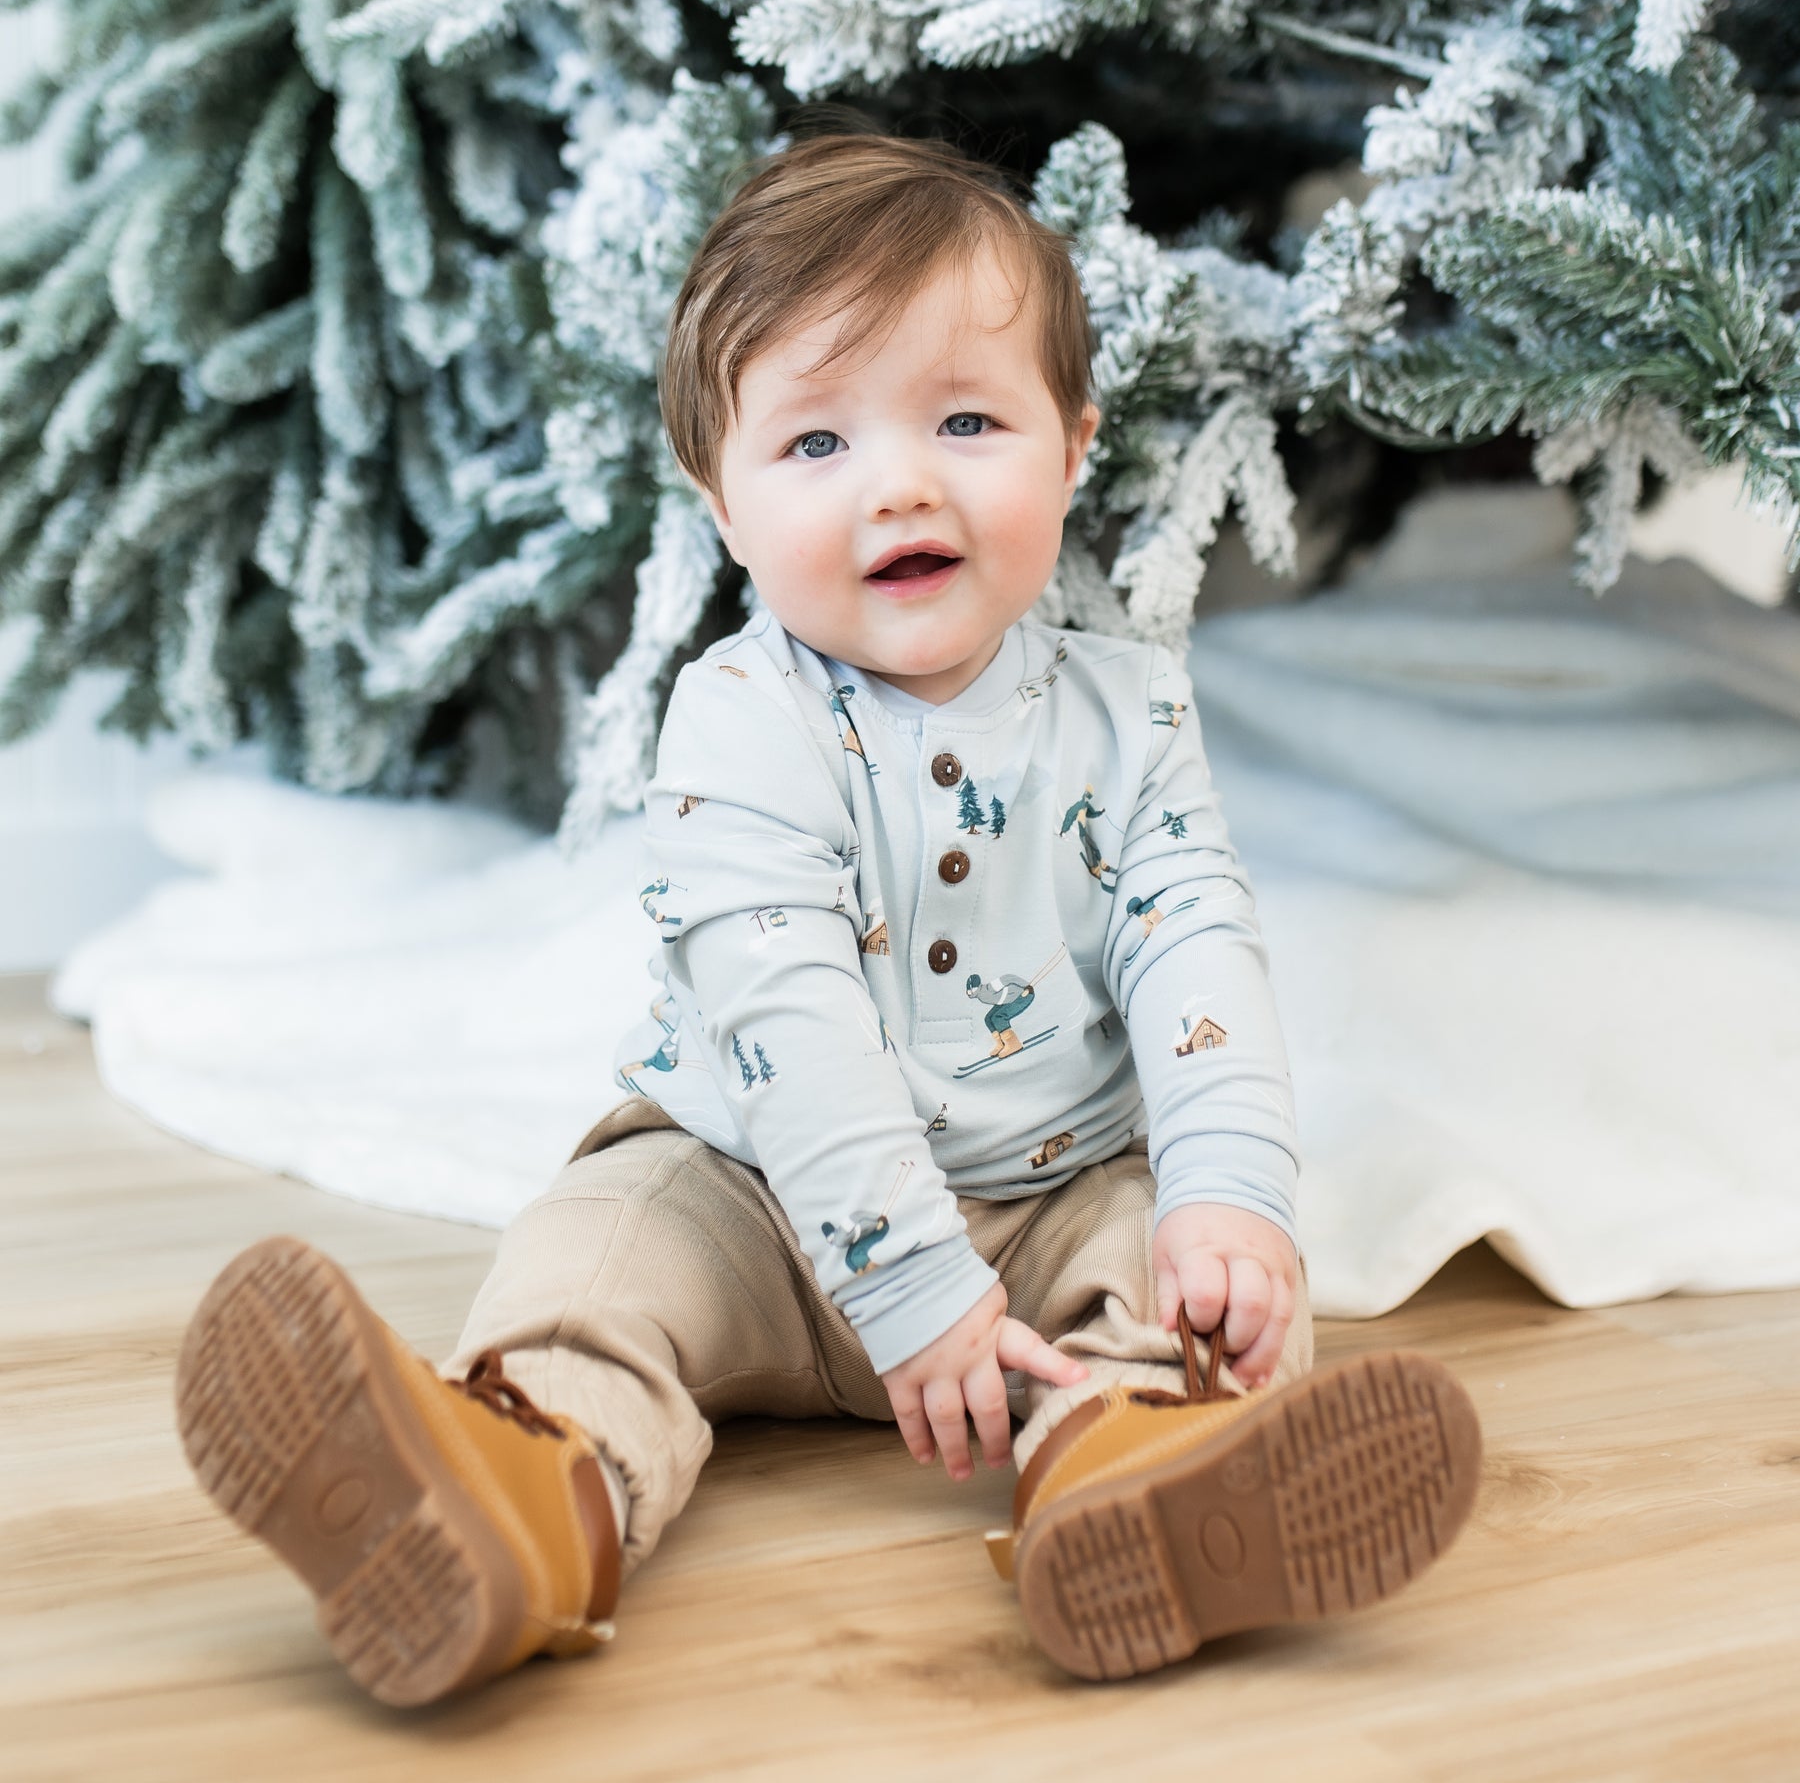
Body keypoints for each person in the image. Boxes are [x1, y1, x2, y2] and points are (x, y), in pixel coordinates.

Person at [175, 131, 1481, 1708]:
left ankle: (1139, 1479)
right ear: (719, 503)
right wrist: (912, 1287)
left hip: (1050, 1193)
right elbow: (781, 1006)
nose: (902, 481)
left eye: (967, 419)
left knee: (1181, 1284)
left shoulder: (1131, 713)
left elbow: (1196, 945)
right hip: (751, 1197)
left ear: (1072, 448)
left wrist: (1232, 1194)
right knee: (595, 1253)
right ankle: (515, 1493)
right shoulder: (738, 718)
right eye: (815, 445)